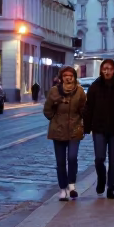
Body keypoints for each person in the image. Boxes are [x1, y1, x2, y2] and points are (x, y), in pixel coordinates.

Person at [83, 58, 114, 199]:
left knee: (113, 160)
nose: (107, 71)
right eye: (105, 68)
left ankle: (111, 187)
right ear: (101, 70)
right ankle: (101, 180)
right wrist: (86, 127)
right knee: (99, 158)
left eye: (110, 69)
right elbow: (89, 107)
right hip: (98, 127)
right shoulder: (95, 86)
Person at [43, 66, 86, 201]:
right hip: (58, 130)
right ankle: (62, 189)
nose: (68, 77)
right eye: (65, 75)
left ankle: (72, 185)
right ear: (61, 78)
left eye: (71, 75)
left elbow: (84, 109)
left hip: (74, 129)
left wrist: (82, 121)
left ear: (74, 77)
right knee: (60, 161)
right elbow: (47, 109)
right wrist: (54, 119)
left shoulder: (79, 91)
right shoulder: (54, 91)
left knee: (72, 158)